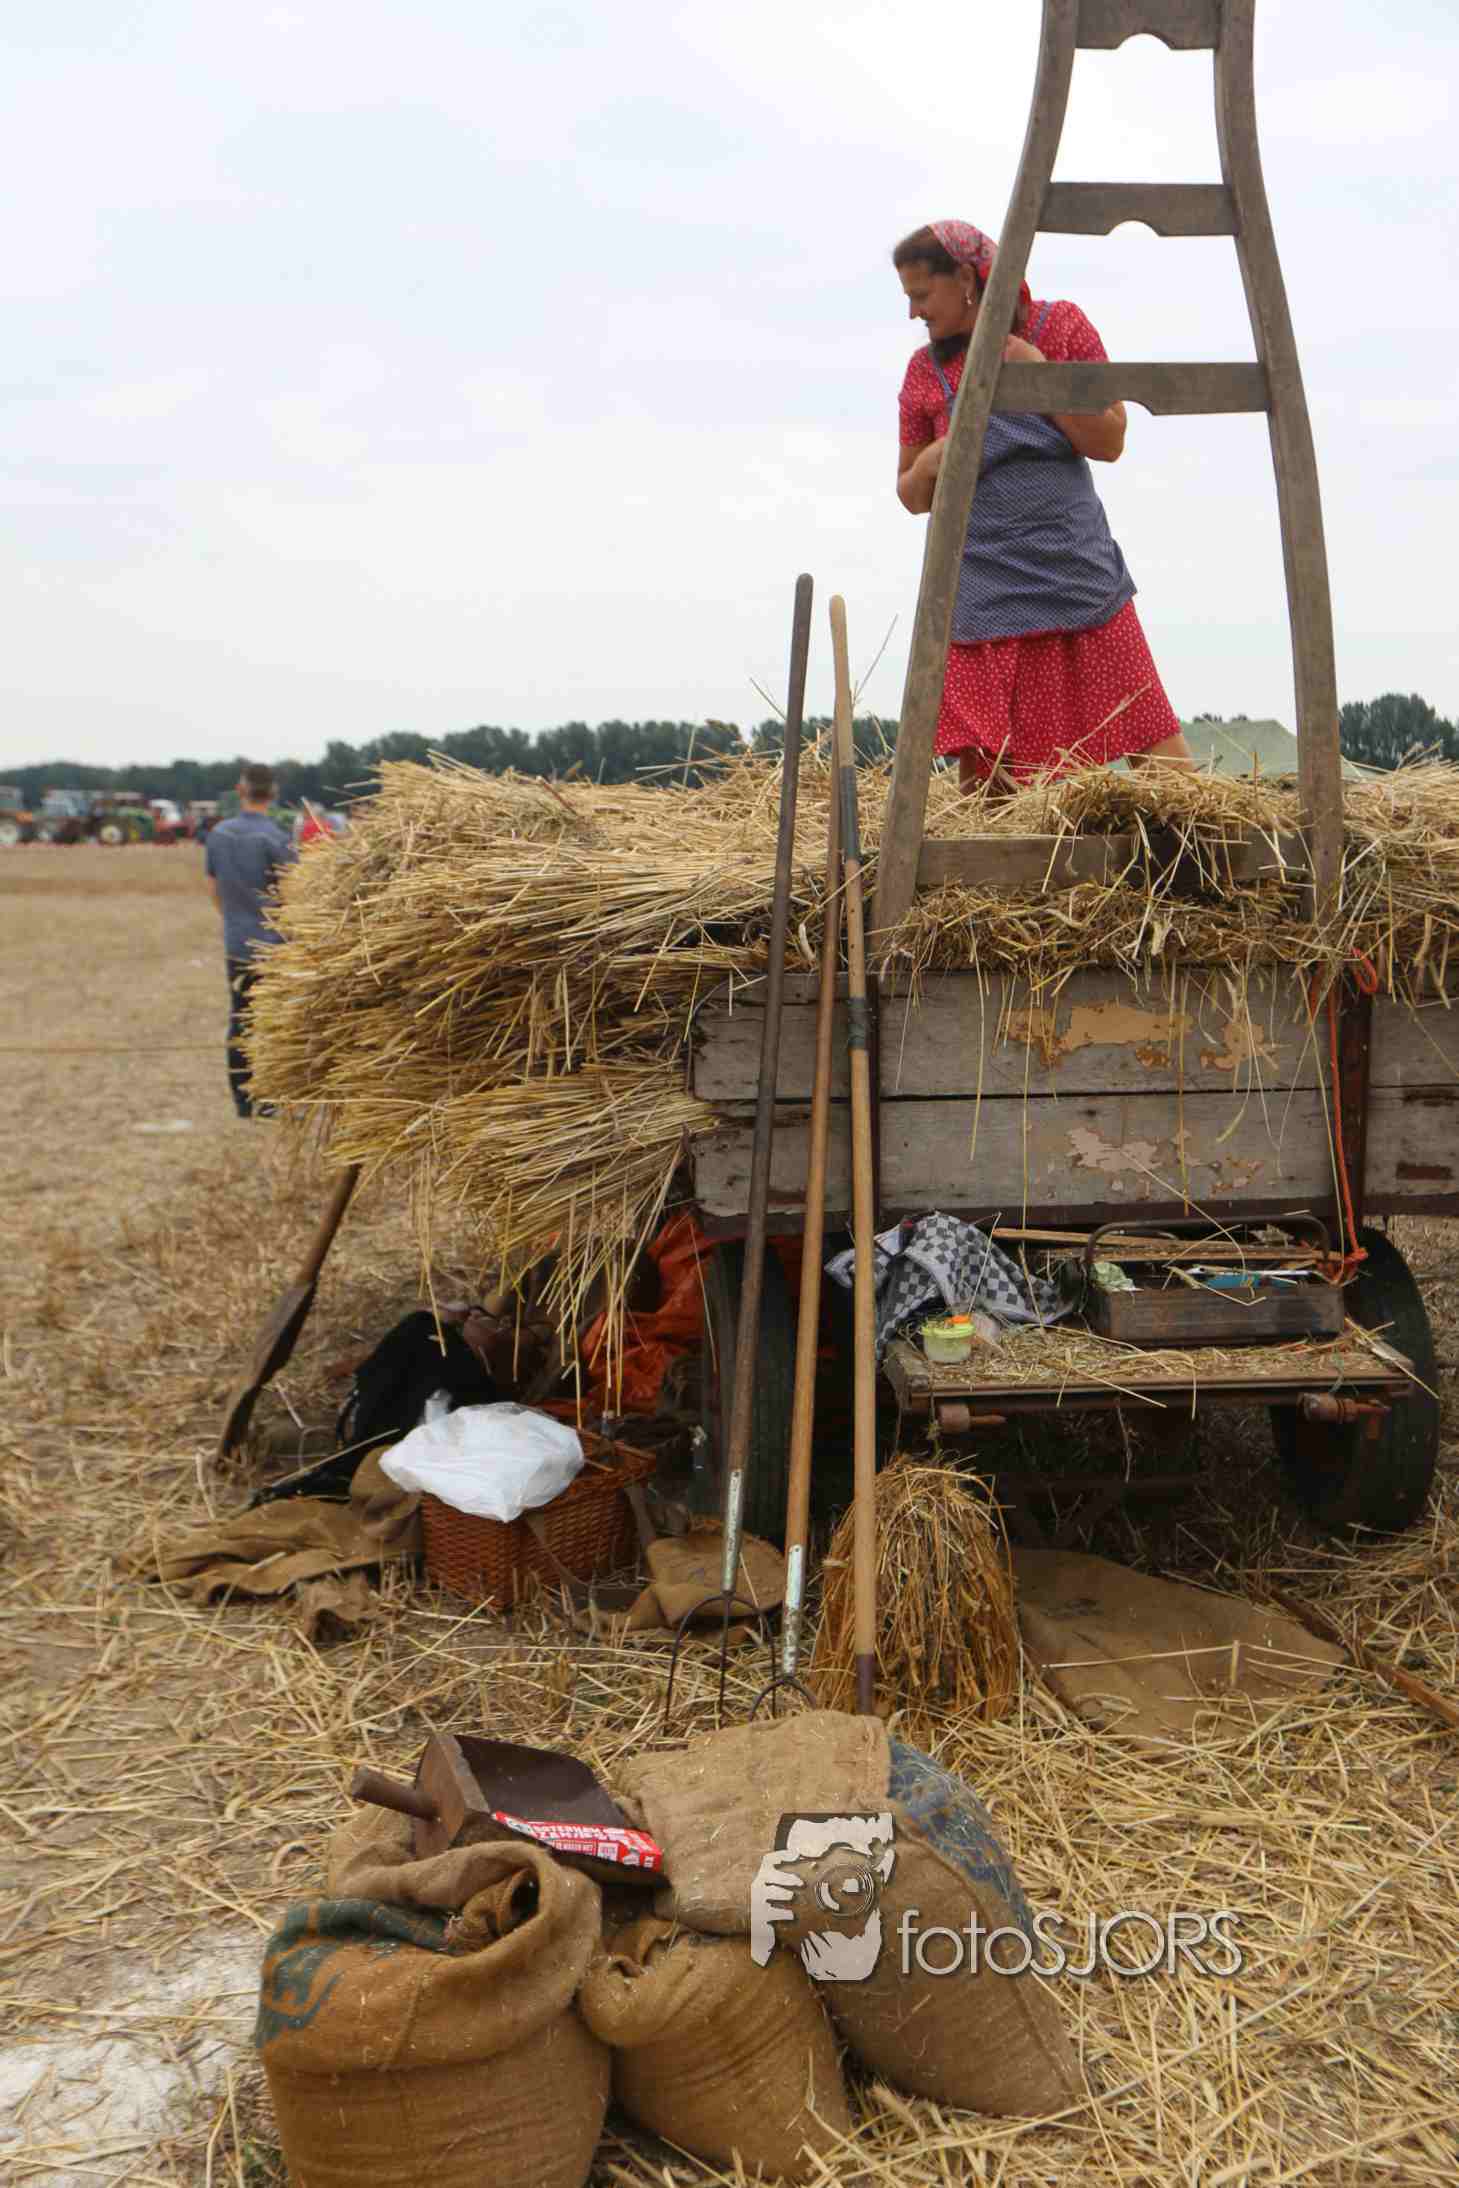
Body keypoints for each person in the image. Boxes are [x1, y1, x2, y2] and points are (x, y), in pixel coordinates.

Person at [893, 219, 1194, 791]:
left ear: (966, 280)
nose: (913, 313)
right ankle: (1002, 852)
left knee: (1153, 745)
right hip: (983, 593)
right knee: (991, 780)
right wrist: (935, 457)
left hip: (1075, 575)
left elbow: (1110, 440)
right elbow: (911, 496)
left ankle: (1201, 844)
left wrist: (1037, 374)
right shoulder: (924, 373)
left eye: (921, 295)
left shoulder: (1061, 329)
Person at [205, 764, 296, 1116]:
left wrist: (234, 921)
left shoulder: (219, 835)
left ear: (239, 790)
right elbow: (291, 892)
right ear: (273, 794)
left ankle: (243, 1100)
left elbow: (213, 889)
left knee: (240, 1017)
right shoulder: (277, 839)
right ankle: (268, 1099)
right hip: (273, 945)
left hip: (237, 942)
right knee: (271, 1021)